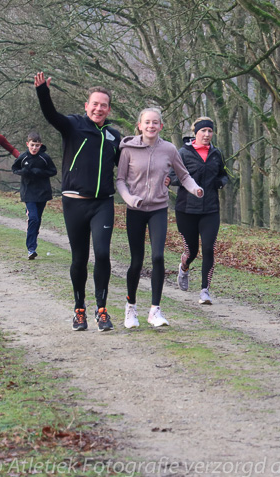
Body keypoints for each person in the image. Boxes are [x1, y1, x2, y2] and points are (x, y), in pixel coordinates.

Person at [34, 71, 121, 332]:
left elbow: (131, 167)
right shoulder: (73, 125)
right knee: (79, 258)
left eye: (103, 105)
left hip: (103, 203)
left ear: (108, 109)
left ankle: (102, 310)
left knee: (103, 254)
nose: (98, 108)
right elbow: (51, 115)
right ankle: (79, 309)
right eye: (94, 104)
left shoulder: (115, 137)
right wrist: (42, 92)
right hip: (74, 203)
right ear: (87, 106)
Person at [117, 108, 204, 329]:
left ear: (161, 126)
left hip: (158, 209)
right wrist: (130, 199)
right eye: (147, 122)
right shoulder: (128, 148)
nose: (151, 126)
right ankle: (131, 309)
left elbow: (183, 175)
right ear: (139, 125)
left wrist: (195, 189)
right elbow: (120, 180)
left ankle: (155, 311)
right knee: (136, 261)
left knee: (158, 257)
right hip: (135, 210)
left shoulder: (169, 149)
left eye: (155, 123)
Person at [169, 116, 228, 305]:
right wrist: (187, 183)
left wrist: (220, 183)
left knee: (209, 248)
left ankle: (205, 291)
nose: (207, 134)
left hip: (210, 209)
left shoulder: (216, 153)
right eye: (203, 131)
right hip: (186, 209)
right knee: (192, 251)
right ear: (196, 133)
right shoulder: (183, 153)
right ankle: (184, 267)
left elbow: (224, 175)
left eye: (210, 131)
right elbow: (172, 176)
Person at [11, 131, 58, 260]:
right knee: (34, 219)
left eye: (37, 145)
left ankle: (32, 238)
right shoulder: (23, 157)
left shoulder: (45, 157)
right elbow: (14, 168)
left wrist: (41, 172)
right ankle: (31, 248)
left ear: (40, 145)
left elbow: (53, 171)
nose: (34, 148)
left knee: (37, 220)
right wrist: (23, 172)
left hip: (42, 193)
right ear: (27, 144)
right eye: (32, 145)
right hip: (28, 192)